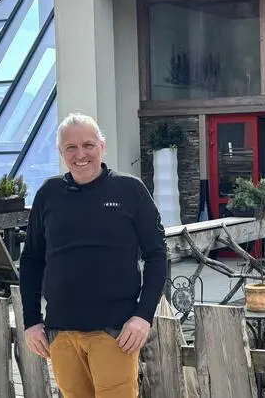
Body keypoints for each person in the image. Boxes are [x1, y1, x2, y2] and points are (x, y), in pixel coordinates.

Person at [19, 112, 167, 398]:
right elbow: (31, 260)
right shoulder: (49, 194)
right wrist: (31, 321)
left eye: (88, 145)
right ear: (61, 152)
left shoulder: (129, 190)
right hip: (61, 333)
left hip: (114, 332)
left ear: (103, 146)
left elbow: (157, 255)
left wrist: (143, 316)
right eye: (70, 148)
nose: (80, 154)